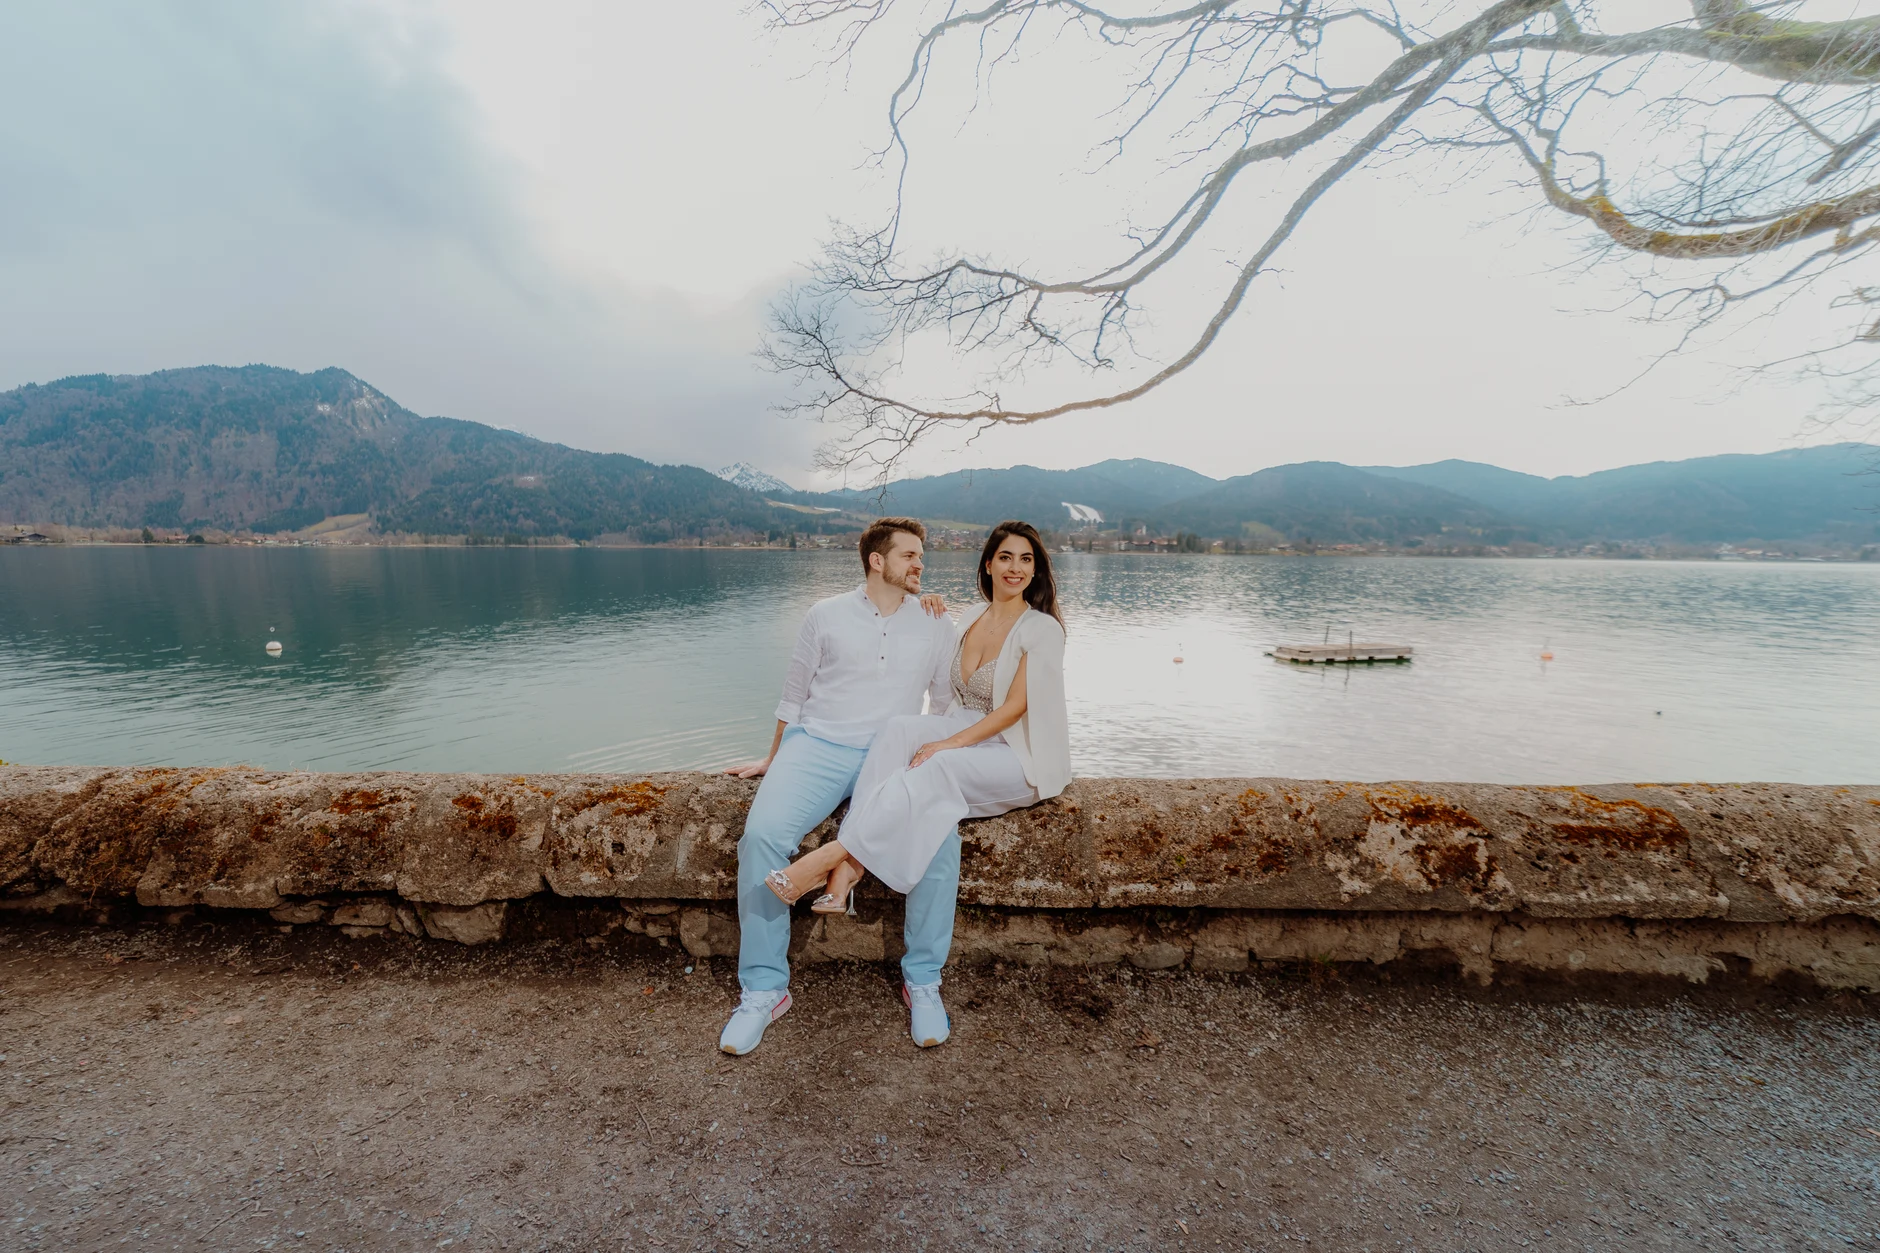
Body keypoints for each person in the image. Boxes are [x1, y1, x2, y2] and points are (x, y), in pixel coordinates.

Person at [763, 520, 1070, 1045]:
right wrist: (924, 604)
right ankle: (843, 882)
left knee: (934, 770)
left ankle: (833, 863)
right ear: (988, 565)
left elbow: (1016, 708)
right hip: (964, 737)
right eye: (1005, 558)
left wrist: (947, 745)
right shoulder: (967, 617)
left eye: (1026, 560)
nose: (1015, 568)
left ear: (1036, 570)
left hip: (1018, 755)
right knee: (899, 729)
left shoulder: (1042, 629)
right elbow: (941, 680)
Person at [718, 517, 958, 1056]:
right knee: (761, 838)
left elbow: (942, 705)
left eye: (922, 556)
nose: (921, 564)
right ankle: (763, 991)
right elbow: (793, 696)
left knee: (941, 841)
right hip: (818, 747)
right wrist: (773, 759)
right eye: (910, 555)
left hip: (894, 754)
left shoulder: (937, 621)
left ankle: (922, 981)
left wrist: (935, 757)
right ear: (877, 560)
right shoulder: (823, 614)